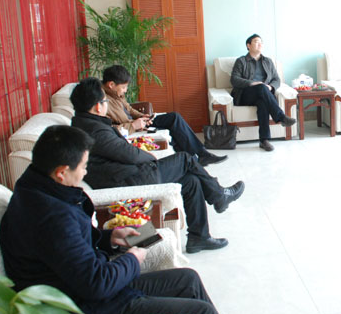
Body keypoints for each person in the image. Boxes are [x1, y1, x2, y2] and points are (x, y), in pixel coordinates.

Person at [0, 125, 230, 314]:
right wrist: (133, 259)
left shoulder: (35, 189)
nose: (85, 173)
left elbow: (67, 248)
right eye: (83, 167)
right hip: (82, 307)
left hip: (80, 286)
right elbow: (96, 284)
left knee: (188, 279)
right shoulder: (52, 217)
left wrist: (109, 238)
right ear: (61, 172)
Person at [70, 77, 245, 253]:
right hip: (129, 180)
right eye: (105, 101)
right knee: (185, 159)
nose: (107, 105)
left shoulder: (86, 124)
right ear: (98, 106)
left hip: (125, 175)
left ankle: (199, 237)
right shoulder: (95, 131)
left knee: (191, 180)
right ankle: (219, 195)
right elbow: (129, 154)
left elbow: (121, 150)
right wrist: (152, 159)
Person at [101, 65, 227, 167]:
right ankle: (196, 157)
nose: (125, 90)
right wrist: (133, 125)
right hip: (131, 128)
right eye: (123, 87)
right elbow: (108, 130)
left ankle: (199, 155)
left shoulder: (116, 94)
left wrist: (143, 116)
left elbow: (128, 109)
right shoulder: (102, 101)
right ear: (111, 85)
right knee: (174, 125)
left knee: (174, 118)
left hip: (138, 122)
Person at [230, 34, 296, 152]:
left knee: (263, 103)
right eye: (256, 42)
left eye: (261, 42)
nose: (260, 44)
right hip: (246, 94)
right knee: (261, 87)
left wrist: (270, 87)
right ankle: (281, 117)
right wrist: (253, 83)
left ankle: (264, 140)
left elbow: (277, 79)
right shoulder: (241, 61)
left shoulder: (268, 61)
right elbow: (234, 79)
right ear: (248, 45)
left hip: (264, 94)